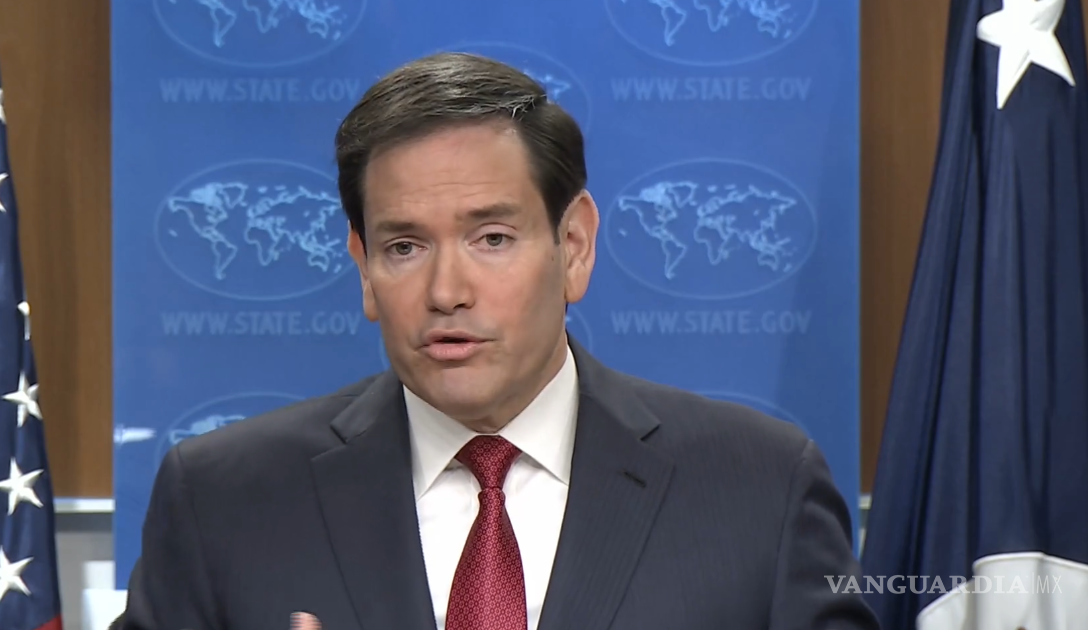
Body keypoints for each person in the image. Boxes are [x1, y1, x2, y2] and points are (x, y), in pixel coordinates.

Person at [115, 52, 879, 630]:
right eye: (404, 247)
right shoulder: (223, 501)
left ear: (574, 246)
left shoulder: (758, 490)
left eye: (492, 238)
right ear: (363, 269)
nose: (446, 290)